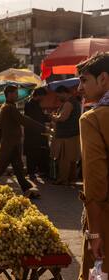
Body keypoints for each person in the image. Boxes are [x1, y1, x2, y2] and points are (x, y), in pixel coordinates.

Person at [76, 53, 109, 279]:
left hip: (105, 220)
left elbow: (95, 182)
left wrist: (95, 233)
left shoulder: (92, 119)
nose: (79, 88)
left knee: (98, 273)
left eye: (84, 80)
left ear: (103, 79)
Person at [0, 85, 43, 198]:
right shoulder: (9, 107)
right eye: (16, 93)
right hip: (10, 145)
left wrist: (0, 141)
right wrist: (43, 128)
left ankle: (27, 189)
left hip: (11, 144)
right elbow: (23, 120)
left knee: (18, 169)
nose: (17, 95)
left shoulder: (5, 107)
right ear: (9, 94)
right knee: (0, 169)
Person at [51, 85, 81, 185]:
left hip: (66, 135)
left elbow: (62, 118)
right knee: (71, 159)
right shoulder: (74, 102)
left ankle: (63, 179)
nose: (58, 98)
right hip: (72, 134)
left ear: (64, 92)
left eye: (58, 95)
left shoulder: (68, 103)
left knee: (64, 159)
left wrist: (53, 117)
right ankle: (71, 179)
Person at [24, 87, 51, 180]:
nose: (43, 98)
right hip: (32, 133)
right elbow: (35, 119)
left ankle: (39, 171)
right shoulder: (29, 104)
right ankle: (31, 172)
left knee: (39, 152)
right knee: (32, 153)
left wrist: (48, 117)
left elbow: (41, 117)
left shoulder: (36, 104)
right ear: (38, 95)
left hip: (38, 133)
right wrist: (47, 118)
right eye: (43, 96)